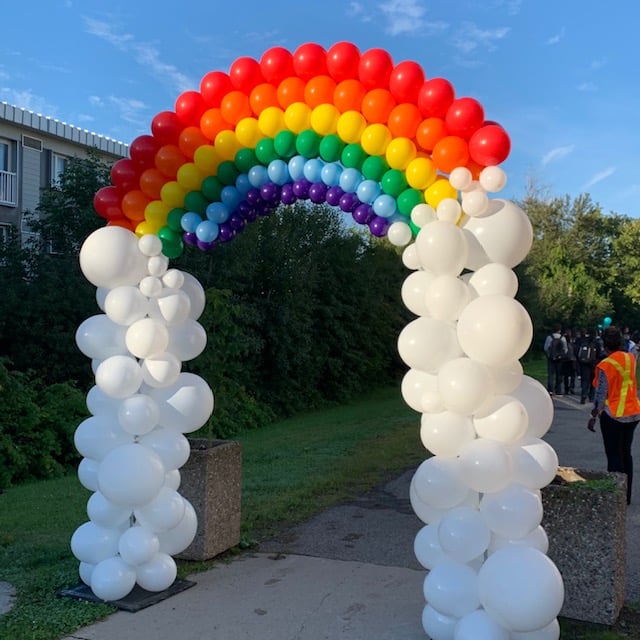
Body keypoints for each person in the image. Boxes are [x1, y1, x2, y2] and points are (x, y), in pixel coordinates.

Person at [587, 326, 640, 504]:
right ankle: (626, 496)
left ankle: (615, 496)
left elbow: (601, 394)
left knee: (614, 456)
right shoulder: (630, 358)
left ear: (604, 344)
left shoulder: (605, 365)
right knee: (626, 454)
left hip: (614, 414)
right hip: (632, 412)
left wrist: (594, 415)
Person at [575, 327, 598, 404]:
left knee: (585, 381)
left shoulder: (583, 341)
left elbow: (578, 352)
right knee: (593, 381)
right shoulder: (597, 342)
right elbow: (600, 354)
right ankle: (591, 397)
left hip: (584, 364)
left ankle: (583, 396)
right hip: (594, 364)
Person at [544, 324, 567, 396]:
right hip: (560, 359)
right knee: (559, 374)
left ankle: (550, 390)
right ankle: (558, 390)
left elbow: (546, 348)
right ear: (559, 330)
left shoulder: (549, 337)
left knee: (551, 374)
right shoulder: (563, 338)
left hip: (551, 358)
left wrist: (549, 354)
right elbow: (565, 349)